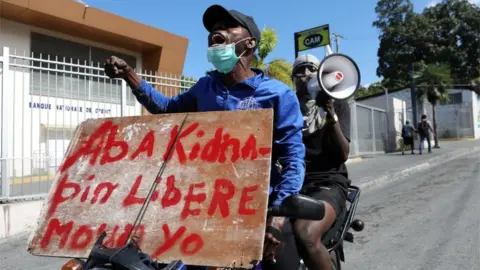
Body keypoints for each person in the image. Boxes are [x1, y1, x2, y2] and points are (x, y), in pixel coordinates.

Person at [103, 4, 305, 269]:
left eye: (226, 25)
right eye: (213, 28)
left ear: (249, 42)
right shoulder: (203, 88)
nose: (216, 31)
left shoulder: (279, 95)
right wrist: (130, 76)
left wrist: (276, 220)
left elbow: (293, 159)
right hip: (203, 208)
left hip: (258, 213)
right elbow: (166, 109)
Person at [265, 54, 351, 270]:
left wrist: (331, 114)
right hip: (293, 185)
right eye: (300, 71)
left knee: (306, 233)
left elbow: (343, 154)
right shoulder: (286, 107)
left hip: (327, 184)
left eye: (311, 69)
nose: (306, 75)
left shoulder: (336, 103)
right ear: (294, 79)